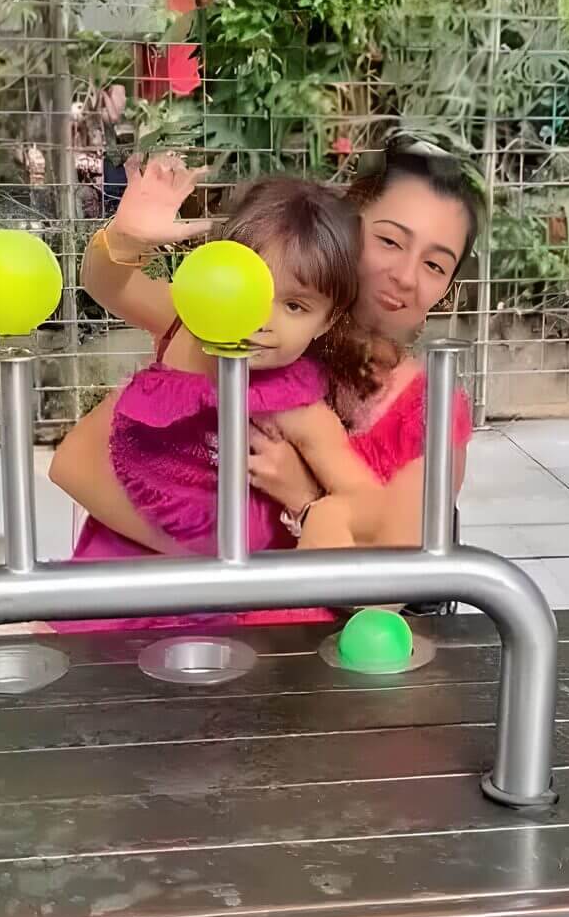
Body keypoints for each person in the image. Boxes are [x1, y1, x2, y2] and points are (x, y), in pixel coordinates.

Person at [49, 141, 481, 624]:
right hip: (142, 596)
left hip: (288, 644)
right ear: (348, 228)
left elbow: (387, 585)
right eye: (390, 241)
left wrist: (305, 500)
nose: (404, 275)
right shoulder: (227, 325)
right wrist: (127, 239)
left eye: (435, 265)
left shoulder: (415, 404)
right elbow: (109, 286)